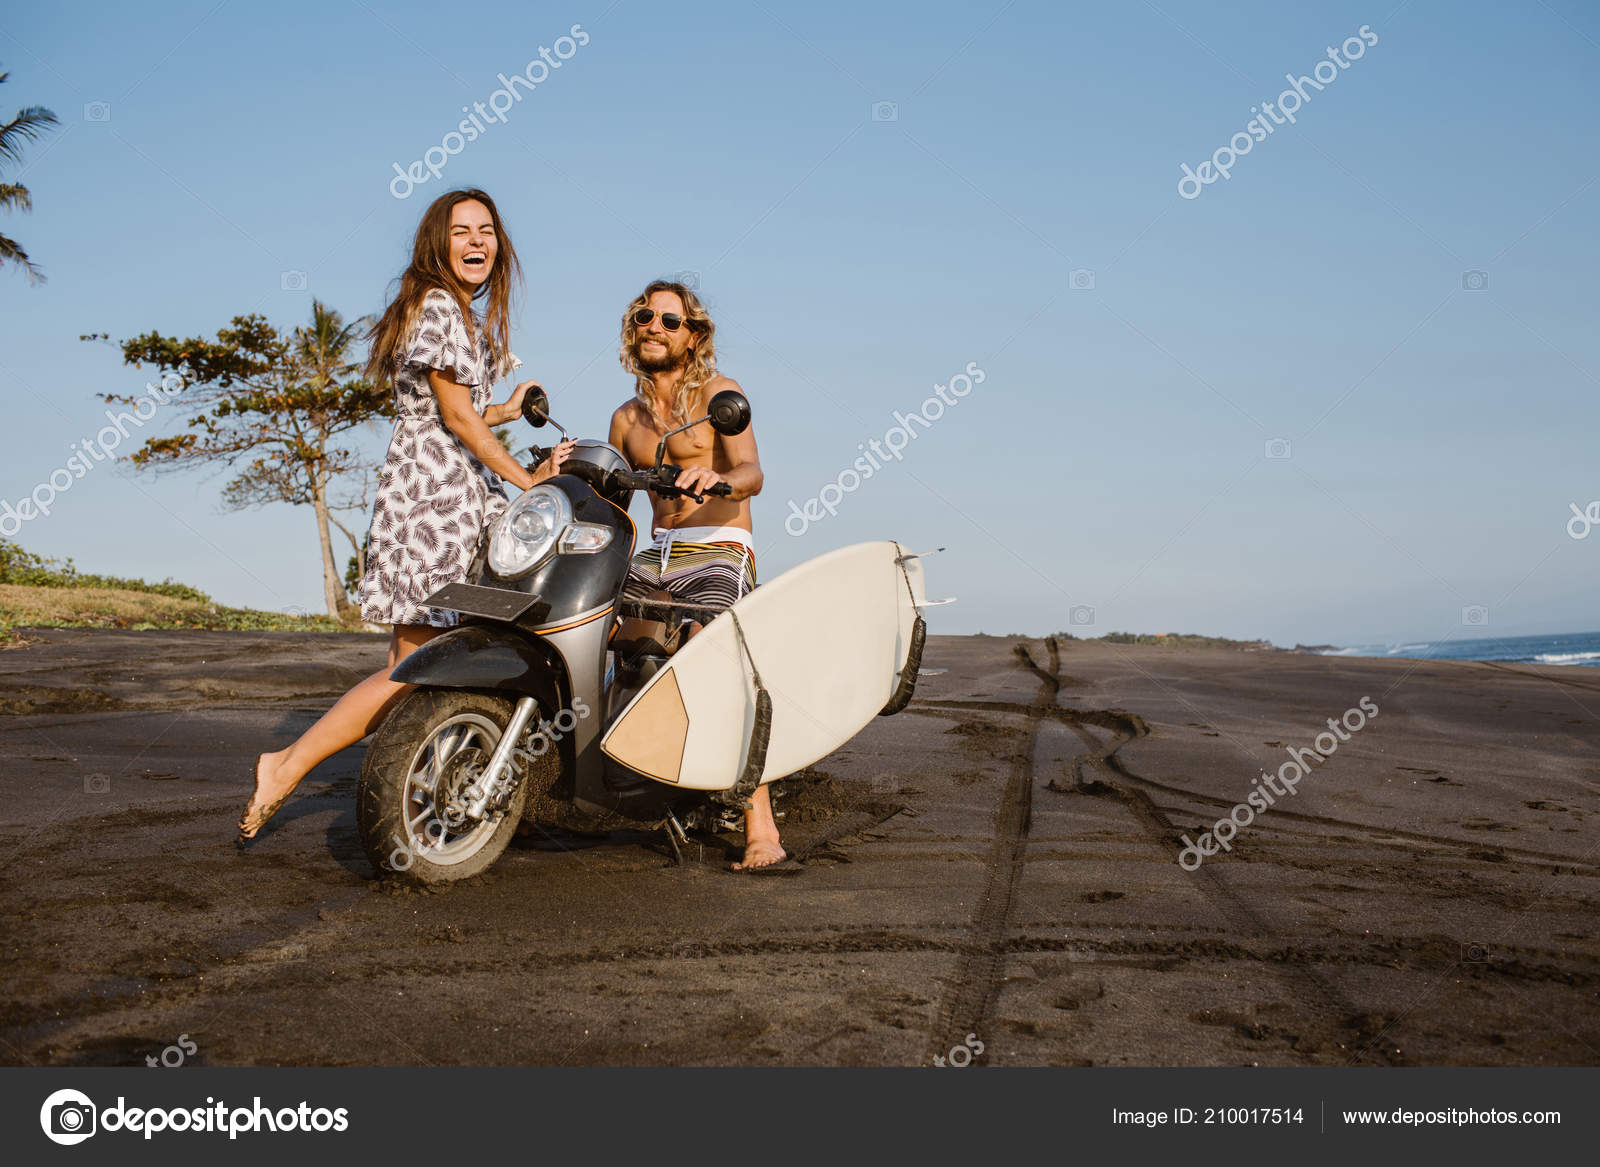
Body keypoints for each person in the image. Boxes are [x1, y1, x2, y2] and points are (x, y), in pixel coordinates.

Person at [237, 189, 573, 843]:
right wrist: (529, 480)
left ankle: (417, 790)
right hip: (433, 508)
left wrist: (505, 409)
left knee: (412, 664)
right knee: (416, 667)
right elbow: (453, 418)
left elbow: (455, 408)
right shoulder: (443, 306)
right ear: (437, 243)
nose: (477, 242)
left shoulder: (461, 316)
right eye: (462, 231)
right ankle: (287, 764)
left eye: (487, 231)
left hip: (438, 499)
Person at [606, 279, 783, 871]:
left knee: (714, 661)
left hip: (718, 544)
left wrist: (720, 482)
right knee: (617, 646)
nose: (654, 326)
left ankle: (762, 824)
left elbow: (753, 471)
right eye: (643, 316)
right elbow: (612, 509)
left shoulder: (718, 395)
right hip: (657, 551)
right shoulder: (625, 419)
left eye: (669, 320)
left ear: (694, 334)